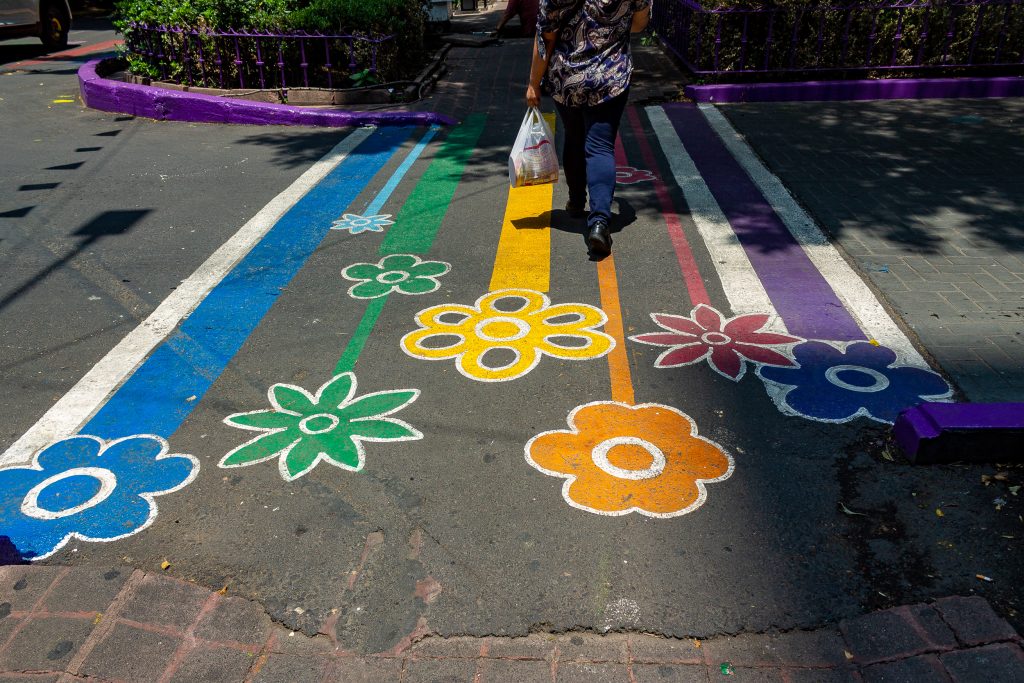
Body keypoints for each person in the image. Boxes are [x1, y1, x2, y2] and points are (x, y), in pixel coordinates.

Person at [525, 0, 651, 256]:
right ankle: (599, 223)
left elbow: (545, 39)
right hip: (610, 78)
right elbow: (639, 25)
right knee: (600, 147)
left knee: (573, 135)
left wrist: (533, 83)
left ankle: (575, 201)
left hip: (567, 79)